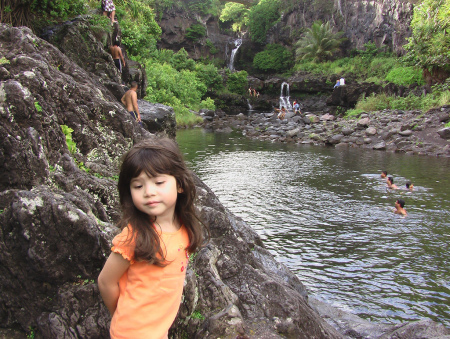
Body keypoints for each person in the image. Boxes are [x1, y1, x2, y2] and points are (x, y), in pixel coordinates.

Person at [98, 137, 207, 339]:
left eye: (159, 182)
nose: (149, 192)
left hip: (158, 330)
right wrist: (119, 315)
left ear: (180, 185)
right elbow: (106, 281)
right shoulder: (135, 236)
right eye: (138, 186)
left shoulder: (183, 227)